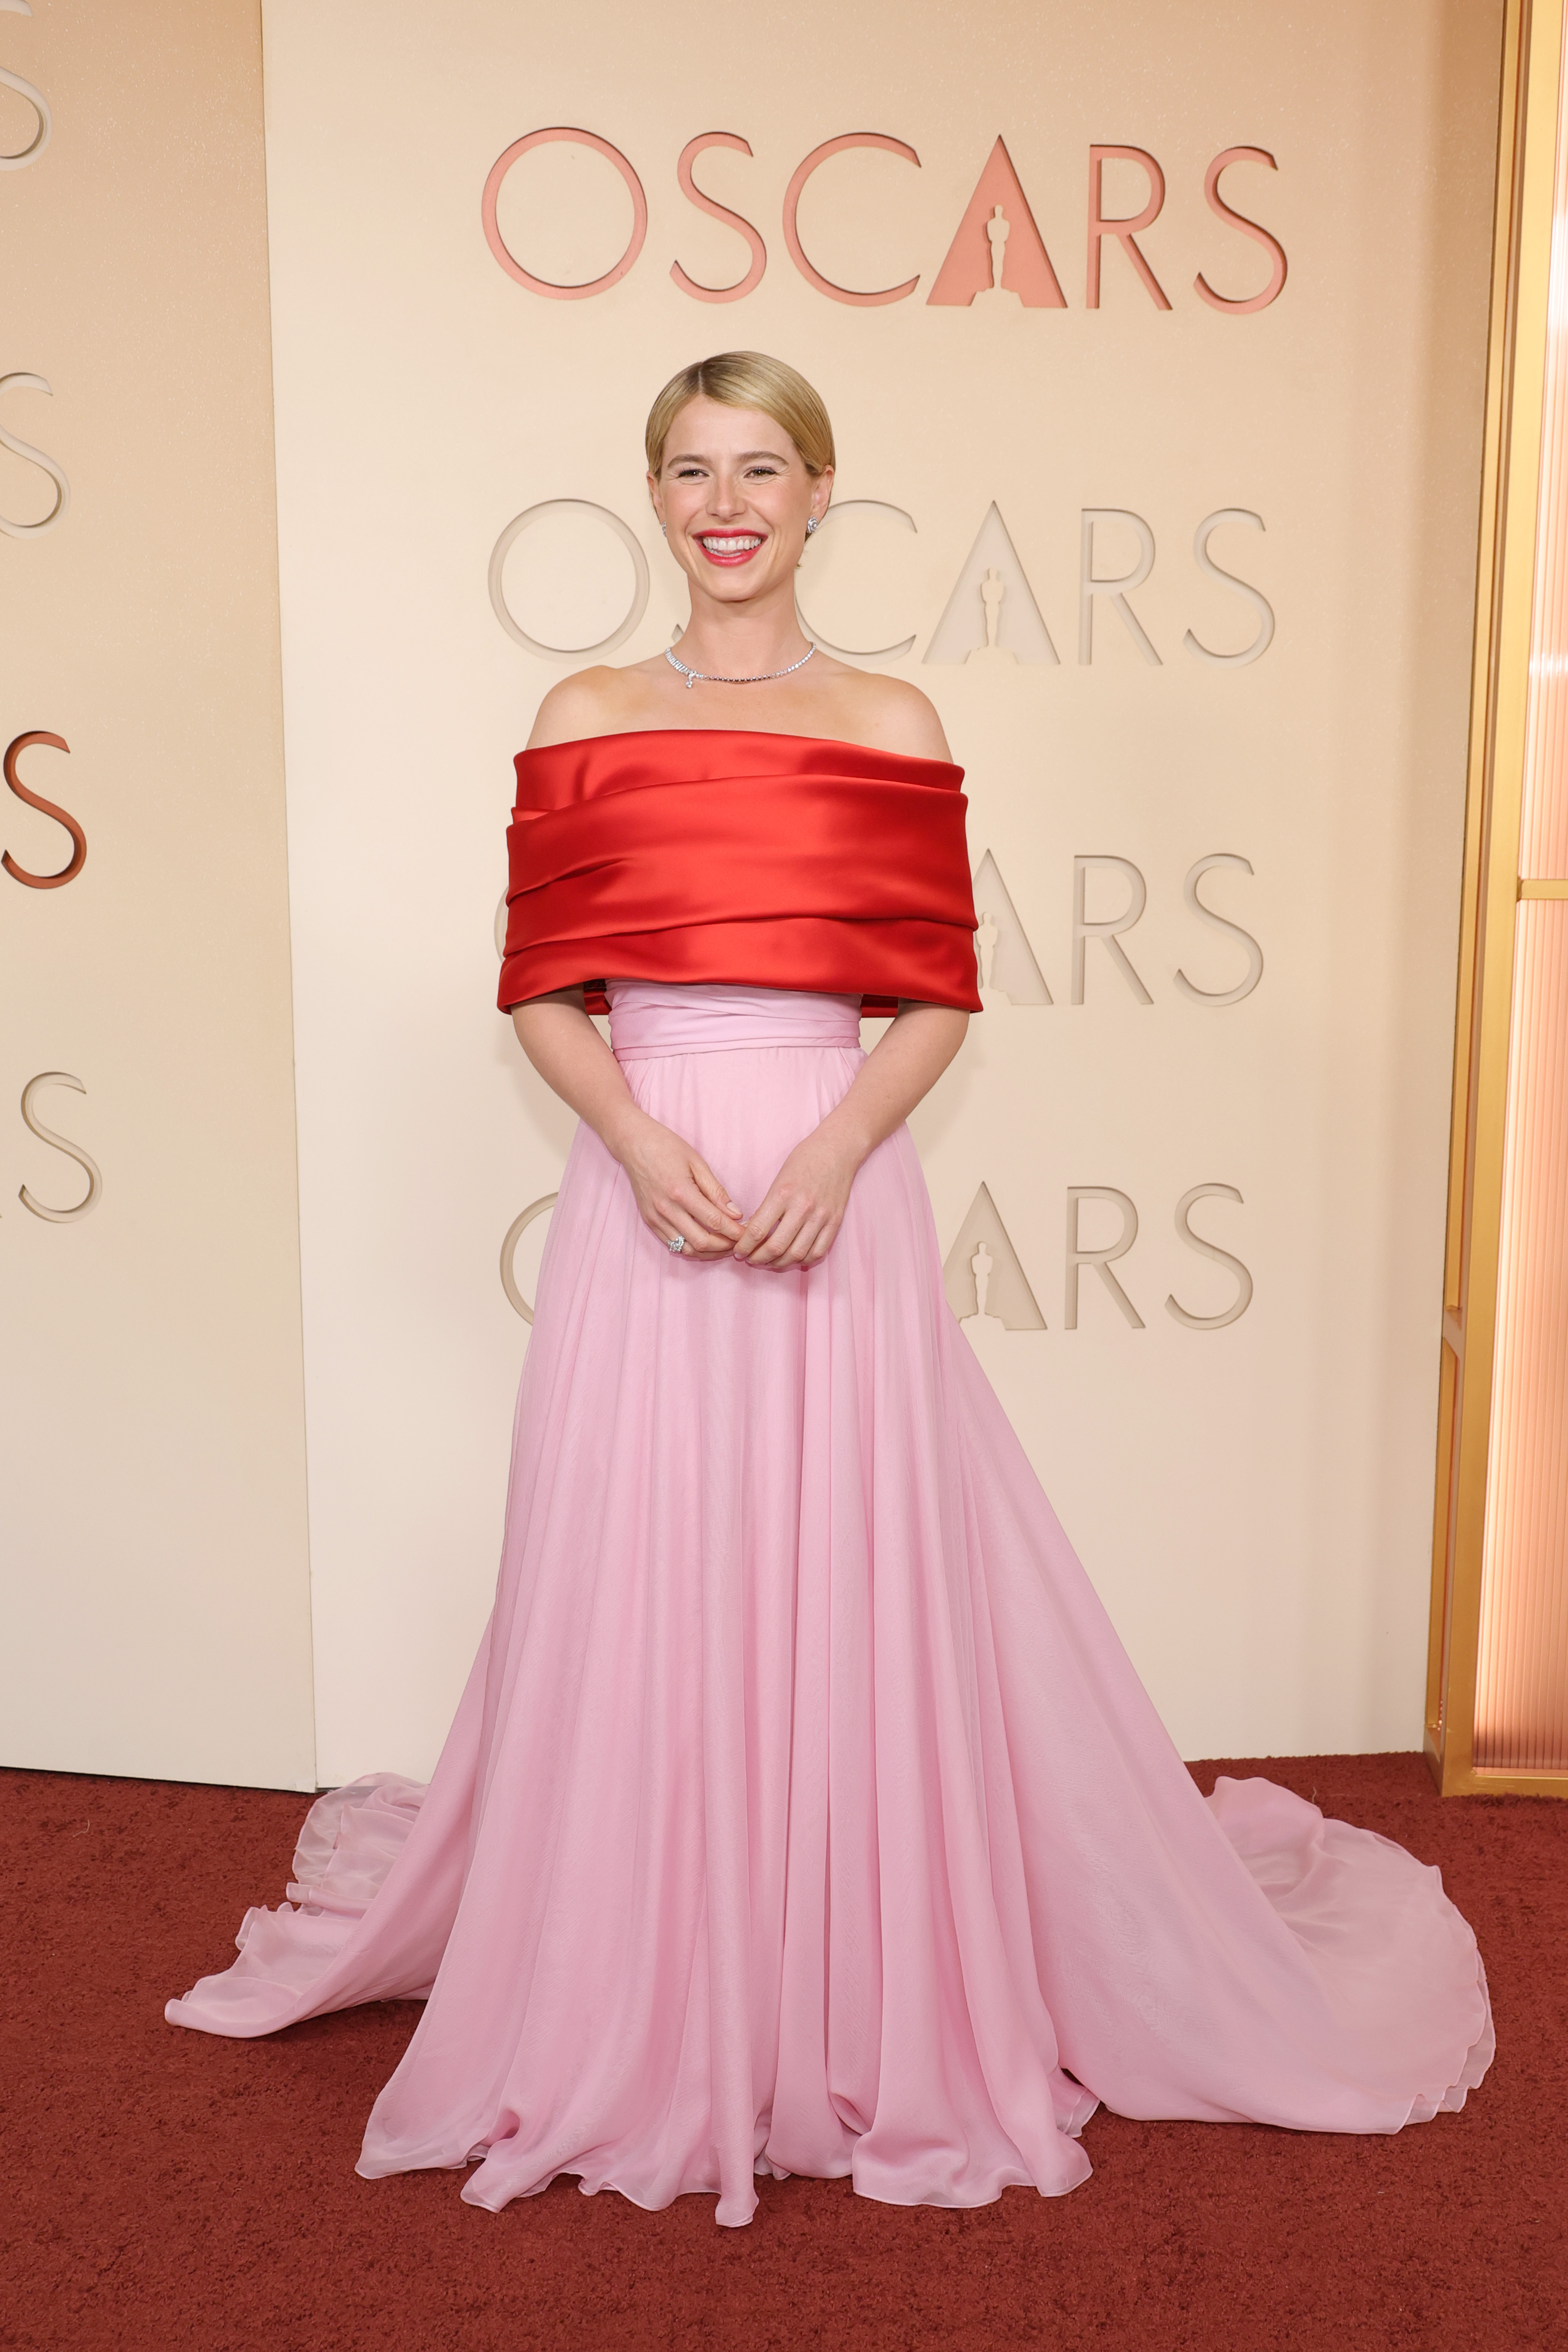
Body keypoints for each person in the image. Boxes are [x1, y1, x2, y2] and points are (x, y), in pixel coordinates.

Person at [167, 350, 1492, 2227]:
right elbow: (544, 988)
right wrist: (634, 1141)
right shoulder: (586, 706)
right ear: (654, 496)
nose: (729, 501)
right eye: (695, 469)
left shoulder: (886, 713)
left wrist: (837, 1149)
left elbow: (940, 992)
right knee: (644, 1572)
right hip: (651, 1197)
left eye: (764, 467)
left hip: (826, 1191)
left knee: (843, 1584)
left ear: (818, 493)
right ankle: (647, 1998)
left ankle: (843, 1999)